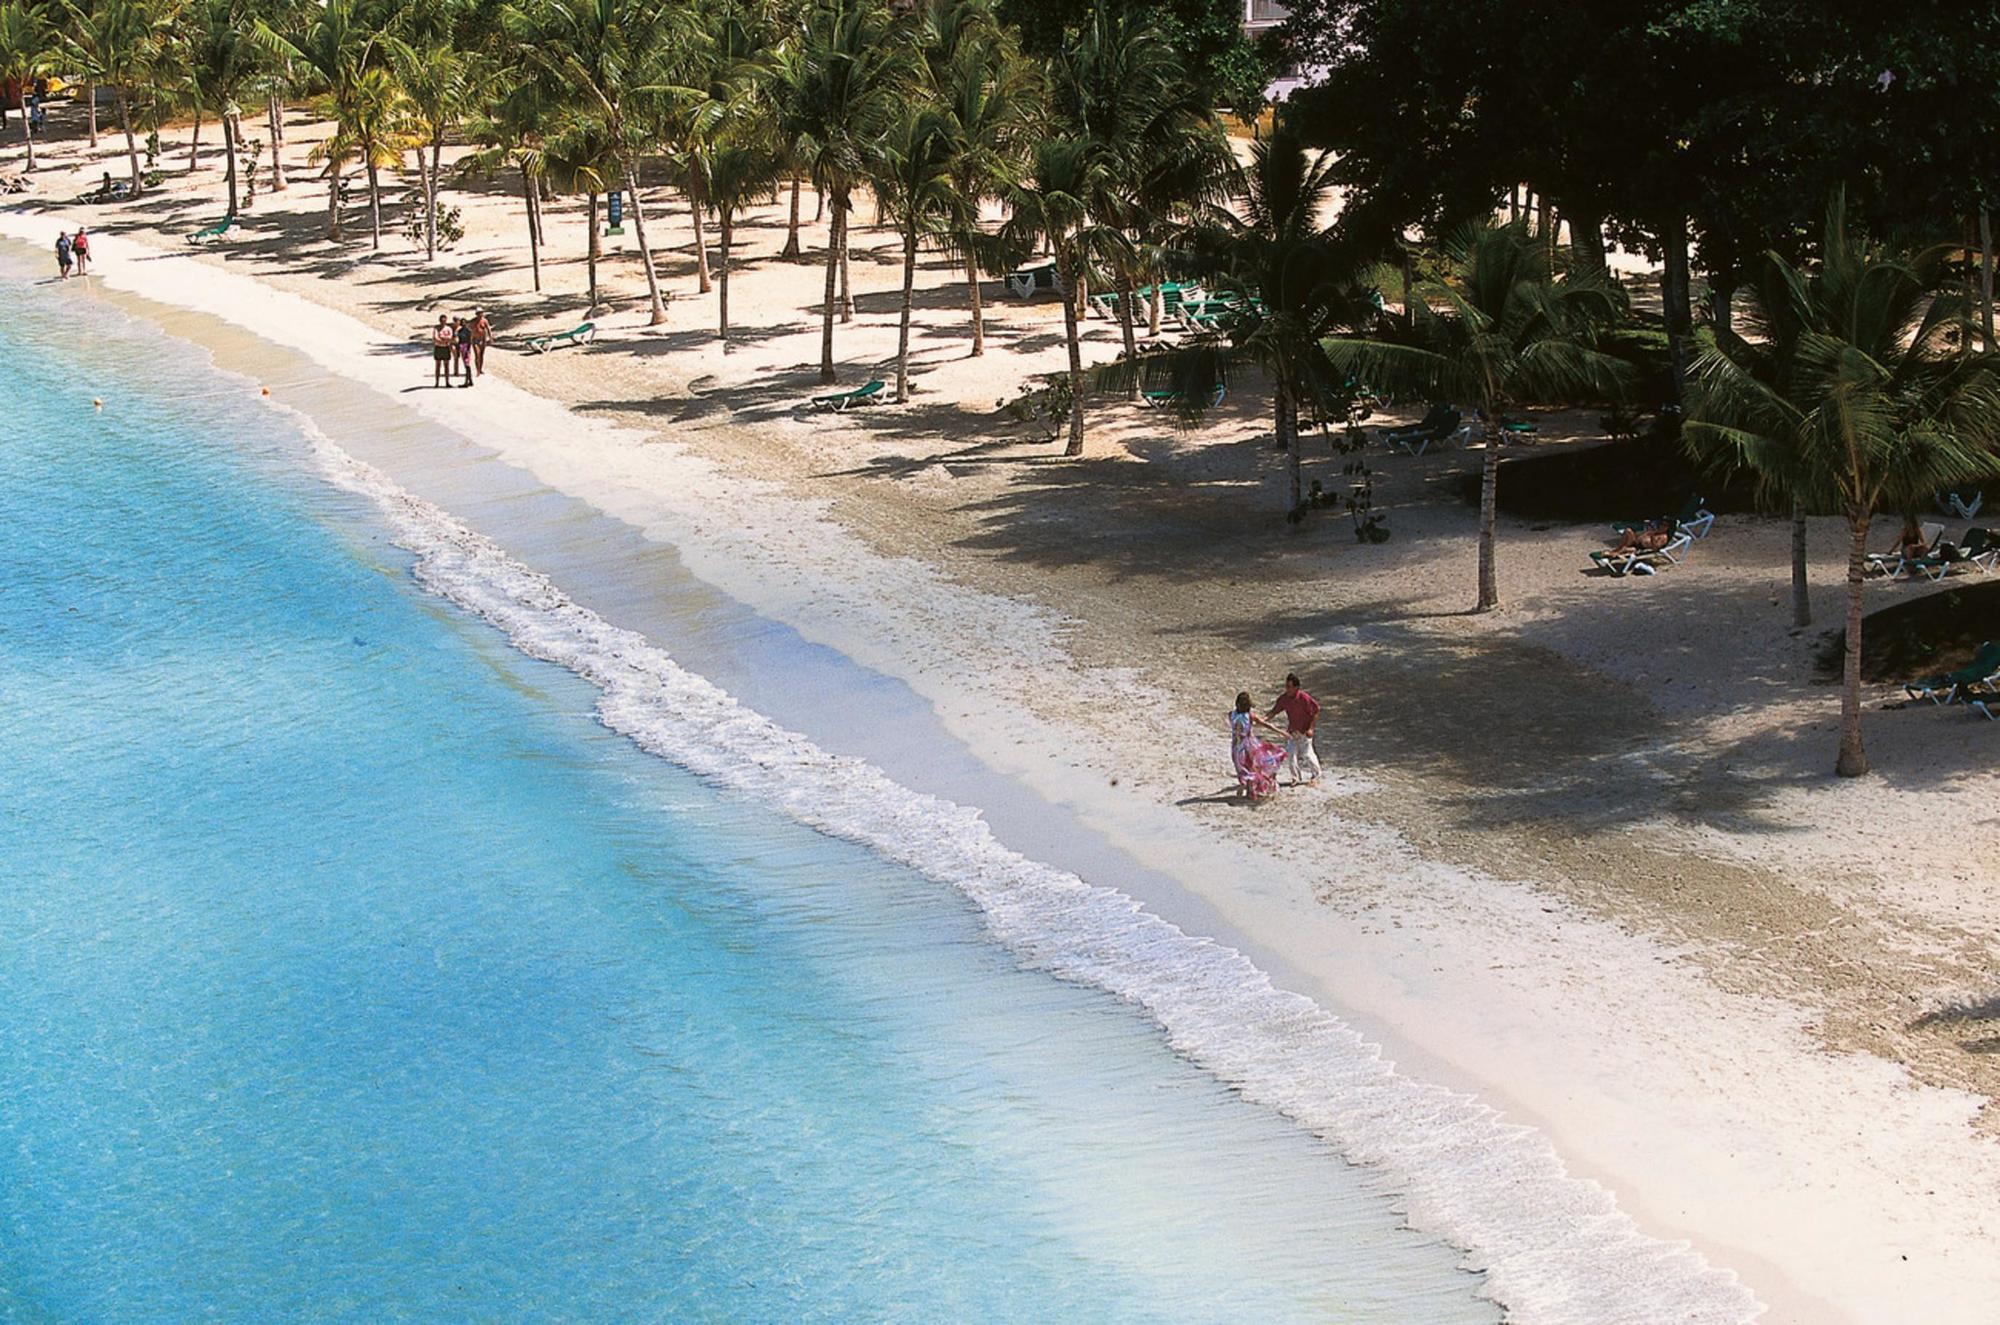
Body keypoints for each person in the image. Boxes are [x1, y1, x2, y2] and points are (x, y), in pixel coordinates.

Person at [1230, 691, 1289, 801]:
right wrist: (1281, 732)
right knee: (1253, 767)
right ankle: (1252, 790)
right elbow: (1266, 724)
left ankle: (1247, 788)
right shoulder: (1250, 716)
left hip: (1236, 747)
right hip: (1248, 745)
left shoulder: (1231, 715)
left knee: (1243, 768)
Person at [1266, 673, 1322, 785]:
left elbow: (1316, 710)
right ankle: (1295, 778)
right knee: (1291, 755)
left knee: (1308, 755)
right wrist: (1262, 720)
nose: (1287, 689)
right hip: (1292, 731)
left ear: (1296, 688)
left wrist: (1311, 728)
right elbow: (1274, 712)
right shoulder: (1284, 699)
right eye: (1286, 686)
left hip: (1304, 732)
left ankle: (1317, 775)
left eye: (1289, 687)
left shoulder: (1304, 698)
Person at [430, 314, 454, 387]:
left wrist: (442, 338)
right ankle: (437, 383)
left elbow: (450, 337)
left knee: (446, 366)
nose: (443, 322)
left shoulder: (449, 328)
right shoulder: (436, 328)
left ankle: (447, 382)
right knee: (438, 366)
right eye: (441, 320)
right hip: (438, 348)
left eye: (444, 320)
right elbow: (435, 338)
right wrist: (444, 340)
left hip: (446, 348)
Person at [469, 308, 491, 376]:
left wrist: (490, 337)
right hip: (475, 340)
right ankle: (477, 370)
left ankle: (480, 369)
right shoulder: (473, 321)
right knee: (477, 355)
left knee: (481, 355)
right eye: (478, 313)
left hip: (483, 339)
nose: (480, 314)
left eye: (481, 313)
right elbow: (469, 329)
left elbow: (488, 329)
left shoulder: (484, 321)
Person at [453, 316, 474, 386]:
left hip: (466, 347)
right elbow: (458, 340)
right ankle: (470, 380)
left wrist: (468, 349)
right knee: (466, 365)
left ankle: (466, 382)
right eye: (462, 323)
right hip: (462, 347)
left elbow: (470, 341)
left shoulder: (468, 331)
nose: (463, 324)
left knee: (467, 365)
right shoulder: (459, 331)